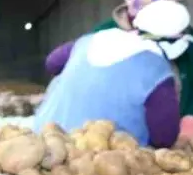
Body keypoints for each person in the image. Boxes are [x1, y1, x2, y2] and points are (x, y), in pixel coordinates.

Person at [45, 0, 193, 143]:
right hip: (103, 133)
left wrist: (189, 124)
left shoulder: (191, 41)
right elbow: (60, 65)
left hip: (161, 133)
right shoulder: (106, 34)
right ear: (130, 16)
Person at [34, 26, 179, 147]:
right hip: (102, 153)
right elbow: (164, 136)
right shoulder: (157, 68)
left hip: (43, 136)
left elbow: (52, 63)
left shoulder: (89, 40)